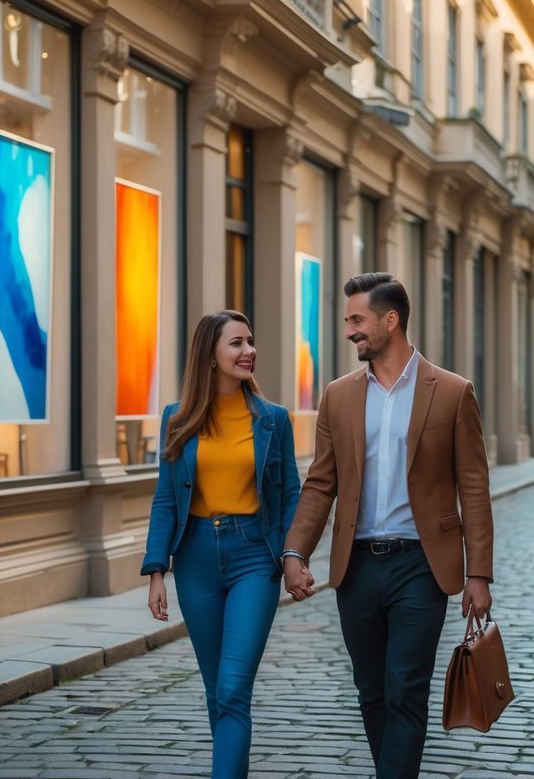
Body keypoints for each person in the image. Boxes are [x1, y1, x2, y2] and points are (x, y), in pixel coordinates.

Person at [281, 273, 494, 778]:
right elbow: (320, 483)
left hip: (421, 565)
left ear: (390, 320)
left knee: (404, 688)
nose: (349, 330)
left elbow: (474, 488)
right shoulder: (338, 396)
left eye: (357, 319)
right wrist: (295, 553)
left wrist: (478, 574)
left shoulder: (452, 392)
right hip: (356, 567)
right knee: (371, 691)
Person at [141, 310, 301, 779]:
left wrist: (293, 556)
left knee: (233, 688)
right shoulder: (177, 418)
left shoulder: (274, 420)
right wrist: (156, 571)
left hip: (254, 556)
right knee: (217, 692)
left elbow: (290, 492)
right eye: (236, 343)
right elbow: (166, 499)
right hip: (194, 561)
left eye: (250, 342)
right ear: (209, 355)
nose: (248, 350)